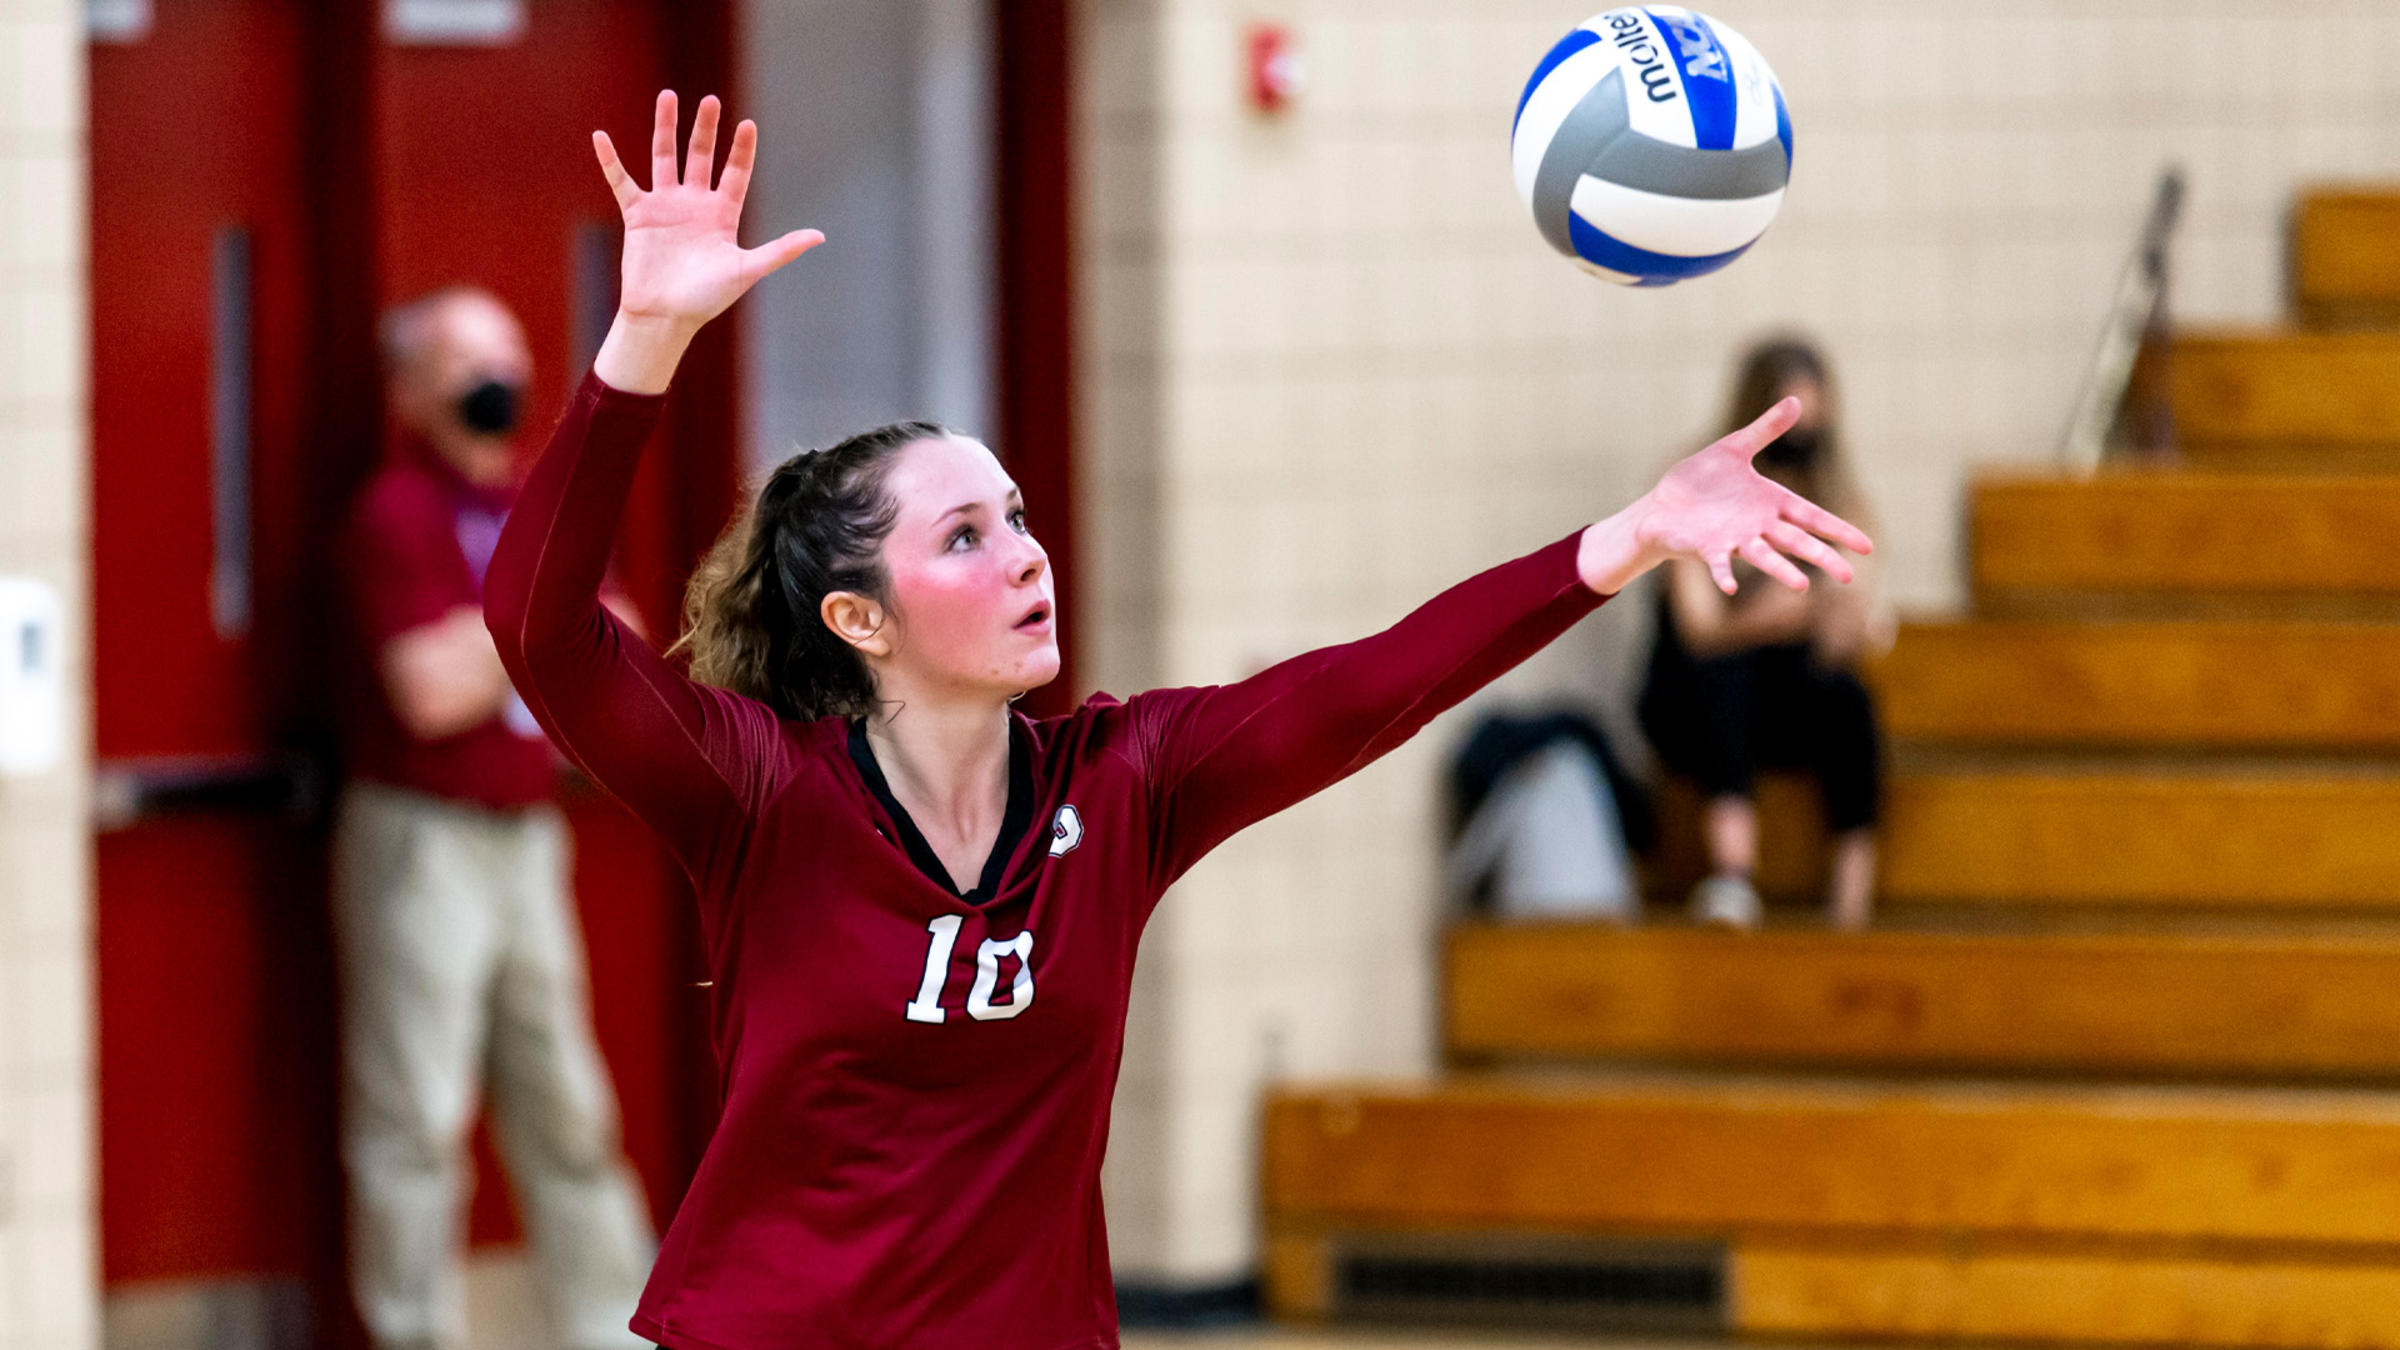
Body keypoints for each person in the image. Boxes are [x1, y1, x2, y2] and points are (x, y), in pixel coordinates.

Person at [483, 90, 1871, 1350]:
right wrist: (643, 341)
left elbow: (1375, 683)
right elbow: (539, 629)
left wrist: (1622, 540)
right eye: (966, 536)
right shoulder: (764, 796)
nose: (1027, 553)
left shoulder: (1124, 780)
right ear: (860, 618)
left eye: (1019, 517)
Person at [336, 286, 656, 1350]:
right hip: (422, 844)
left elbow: (621, 649)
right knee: (417, 1118)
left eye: (510, 354)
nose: (498, 378)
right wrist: (533, 616)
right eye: (468, 360)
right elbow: (424, 692)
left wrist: (495, 634)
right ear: (412, 388)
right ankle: (415, 1332)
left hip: (530, 841)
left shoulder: (541, 498)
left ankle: (614, 1326)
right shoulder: (396, 513)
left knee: (568, 1106)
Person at [1637, 337, 1892, 932]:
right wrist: (1766, 619)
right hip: (1692, 691)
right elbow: (1699, 632)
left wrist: (1841, 622)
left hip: (1780, 693)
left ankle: (1850, 901)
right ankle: (1732, 875)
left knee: (1850, 701)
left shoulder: (1834, 495)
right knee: (1728, 678)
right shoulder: (1695, 488)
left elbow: (1846, 624)